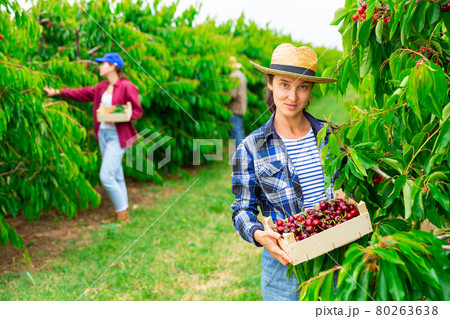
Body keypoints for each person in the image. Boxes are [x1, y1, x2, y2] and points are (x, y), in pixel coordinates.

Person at [231, 43, 337, 301]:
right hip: (285, 270)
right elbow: (242, 209)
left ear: (311, 89)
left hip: (337, 260)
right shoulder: (251, 148)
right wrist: (259, 234)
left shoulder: (331, 135)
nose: (292, 96)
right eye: (284, 84)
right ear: (270, 83)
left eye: (302, 86)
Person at [43, 52, 143, 222]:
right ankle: (123, 212)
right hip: (103, 134)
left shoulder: (126, 86)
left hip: (118, 136)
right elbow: (81, 93)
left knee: (106, 176)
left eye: (103, 63)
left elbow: (137, 110)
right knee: (117, 175)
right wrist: (58, 92)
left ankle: (122, 215)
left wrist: (120, 116)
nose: (100, 66)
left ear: (113, 66)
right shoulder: (101, 87)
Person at [227, 56, 247, 147]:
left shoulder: (233, 76)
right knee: (239, 131)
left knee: (236, 133)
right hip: (241, 108)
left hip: (234, 108)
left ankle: (242, 156)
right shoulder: (241, 75)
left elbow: (232, 94)